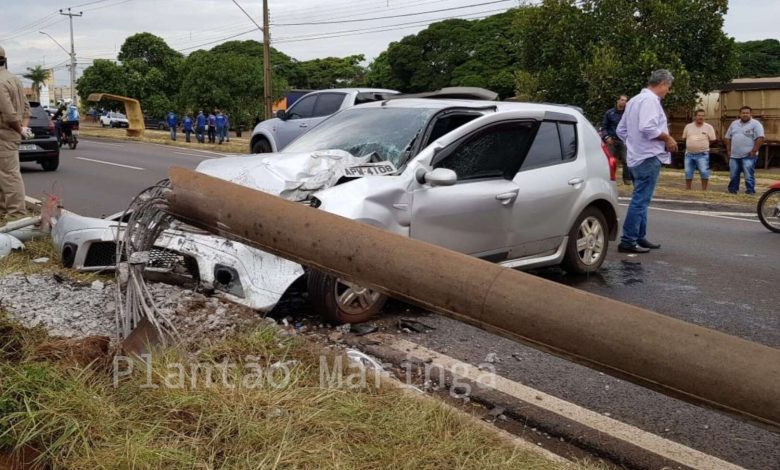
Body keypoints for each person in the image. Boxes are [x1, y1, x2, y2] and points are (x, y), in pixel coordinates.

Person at [616, 69, 677, 254]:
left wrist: (633, 145)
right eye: (668, 87)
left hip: (636, 156)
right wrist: (667, 138)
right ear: (663, 84)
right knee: (641, 200)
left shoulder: (634, 100)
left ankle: (639, 236)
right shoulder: (650, 101)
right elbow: (647, 127)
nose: (668, 91)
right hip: (648, 156)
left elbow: (621, 130)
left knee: (641, 198)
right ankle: (628, 240)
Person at [0, 45, 31, 220]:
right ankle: (5, 213)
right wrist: (23, 129)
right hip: (11, 134)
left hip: (4, 134)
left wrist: (19, 128)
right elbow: (27, 109)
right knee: (5, 175)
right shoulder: (13, 79)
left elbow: (9, 114)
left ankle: (16, 215)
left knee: (8, 176)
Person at [724, 106, 765, 195]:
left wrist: (754, 151)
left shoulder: (756, 124)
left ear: (751, 114)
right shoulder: (734, 124)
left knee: (748, 175)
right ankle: (732, 190)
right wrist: (728, 150)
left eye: (747, 113)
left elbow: (760, 138)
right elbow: (727, 137)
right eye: (743, 113)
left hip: (749, 155)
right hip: (734, 155)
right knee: (733, 175)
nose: (745, 114)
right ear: (740, 114)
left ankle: (750, 191)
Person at [681, 109, 717, 190]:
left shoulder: (709, 127)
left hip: (703, 154)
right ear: (695, 116)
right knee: (688, 172)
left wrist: (704, 145)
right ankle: (688, 189)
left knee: (704, 171)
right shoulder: (688, 126)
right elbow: (684, 138)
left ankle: (704, 190)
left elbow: (713, 140)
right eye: (699, 115)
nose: (701, 117)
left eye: (702, 115)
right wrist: (691, 144)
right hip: (689, 154)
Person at [602, 95, 632, 184]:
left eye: (625, 101)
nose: (624, 102)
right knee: (609, 161)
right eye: (622, 100)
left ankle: (627, 179)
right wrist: (606, 137)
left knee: (627, 160)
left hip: (624, 141)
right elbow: (604, 127)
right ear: (618, 101)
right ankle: (608, 178)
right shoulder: (609, 113)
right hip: (612, 140)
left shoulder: (628, 114)